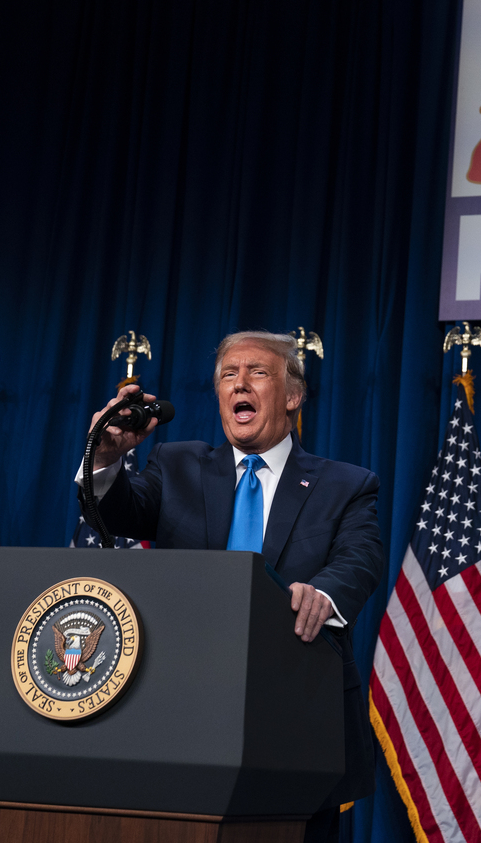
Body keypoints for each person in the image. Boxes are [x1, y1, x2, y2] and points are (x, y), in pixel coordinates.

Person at [78, 331, 385, 838]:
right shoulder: (178, 465)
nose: (240, 383)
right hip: (182, 712)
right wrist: (106, 457)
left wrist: (323, 593)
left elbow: (361, 556)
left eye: (258, 373)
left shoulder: (345, 484)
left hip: (295, 721)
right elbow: (115, 512)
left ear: (292, 395)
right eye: (228, 375)